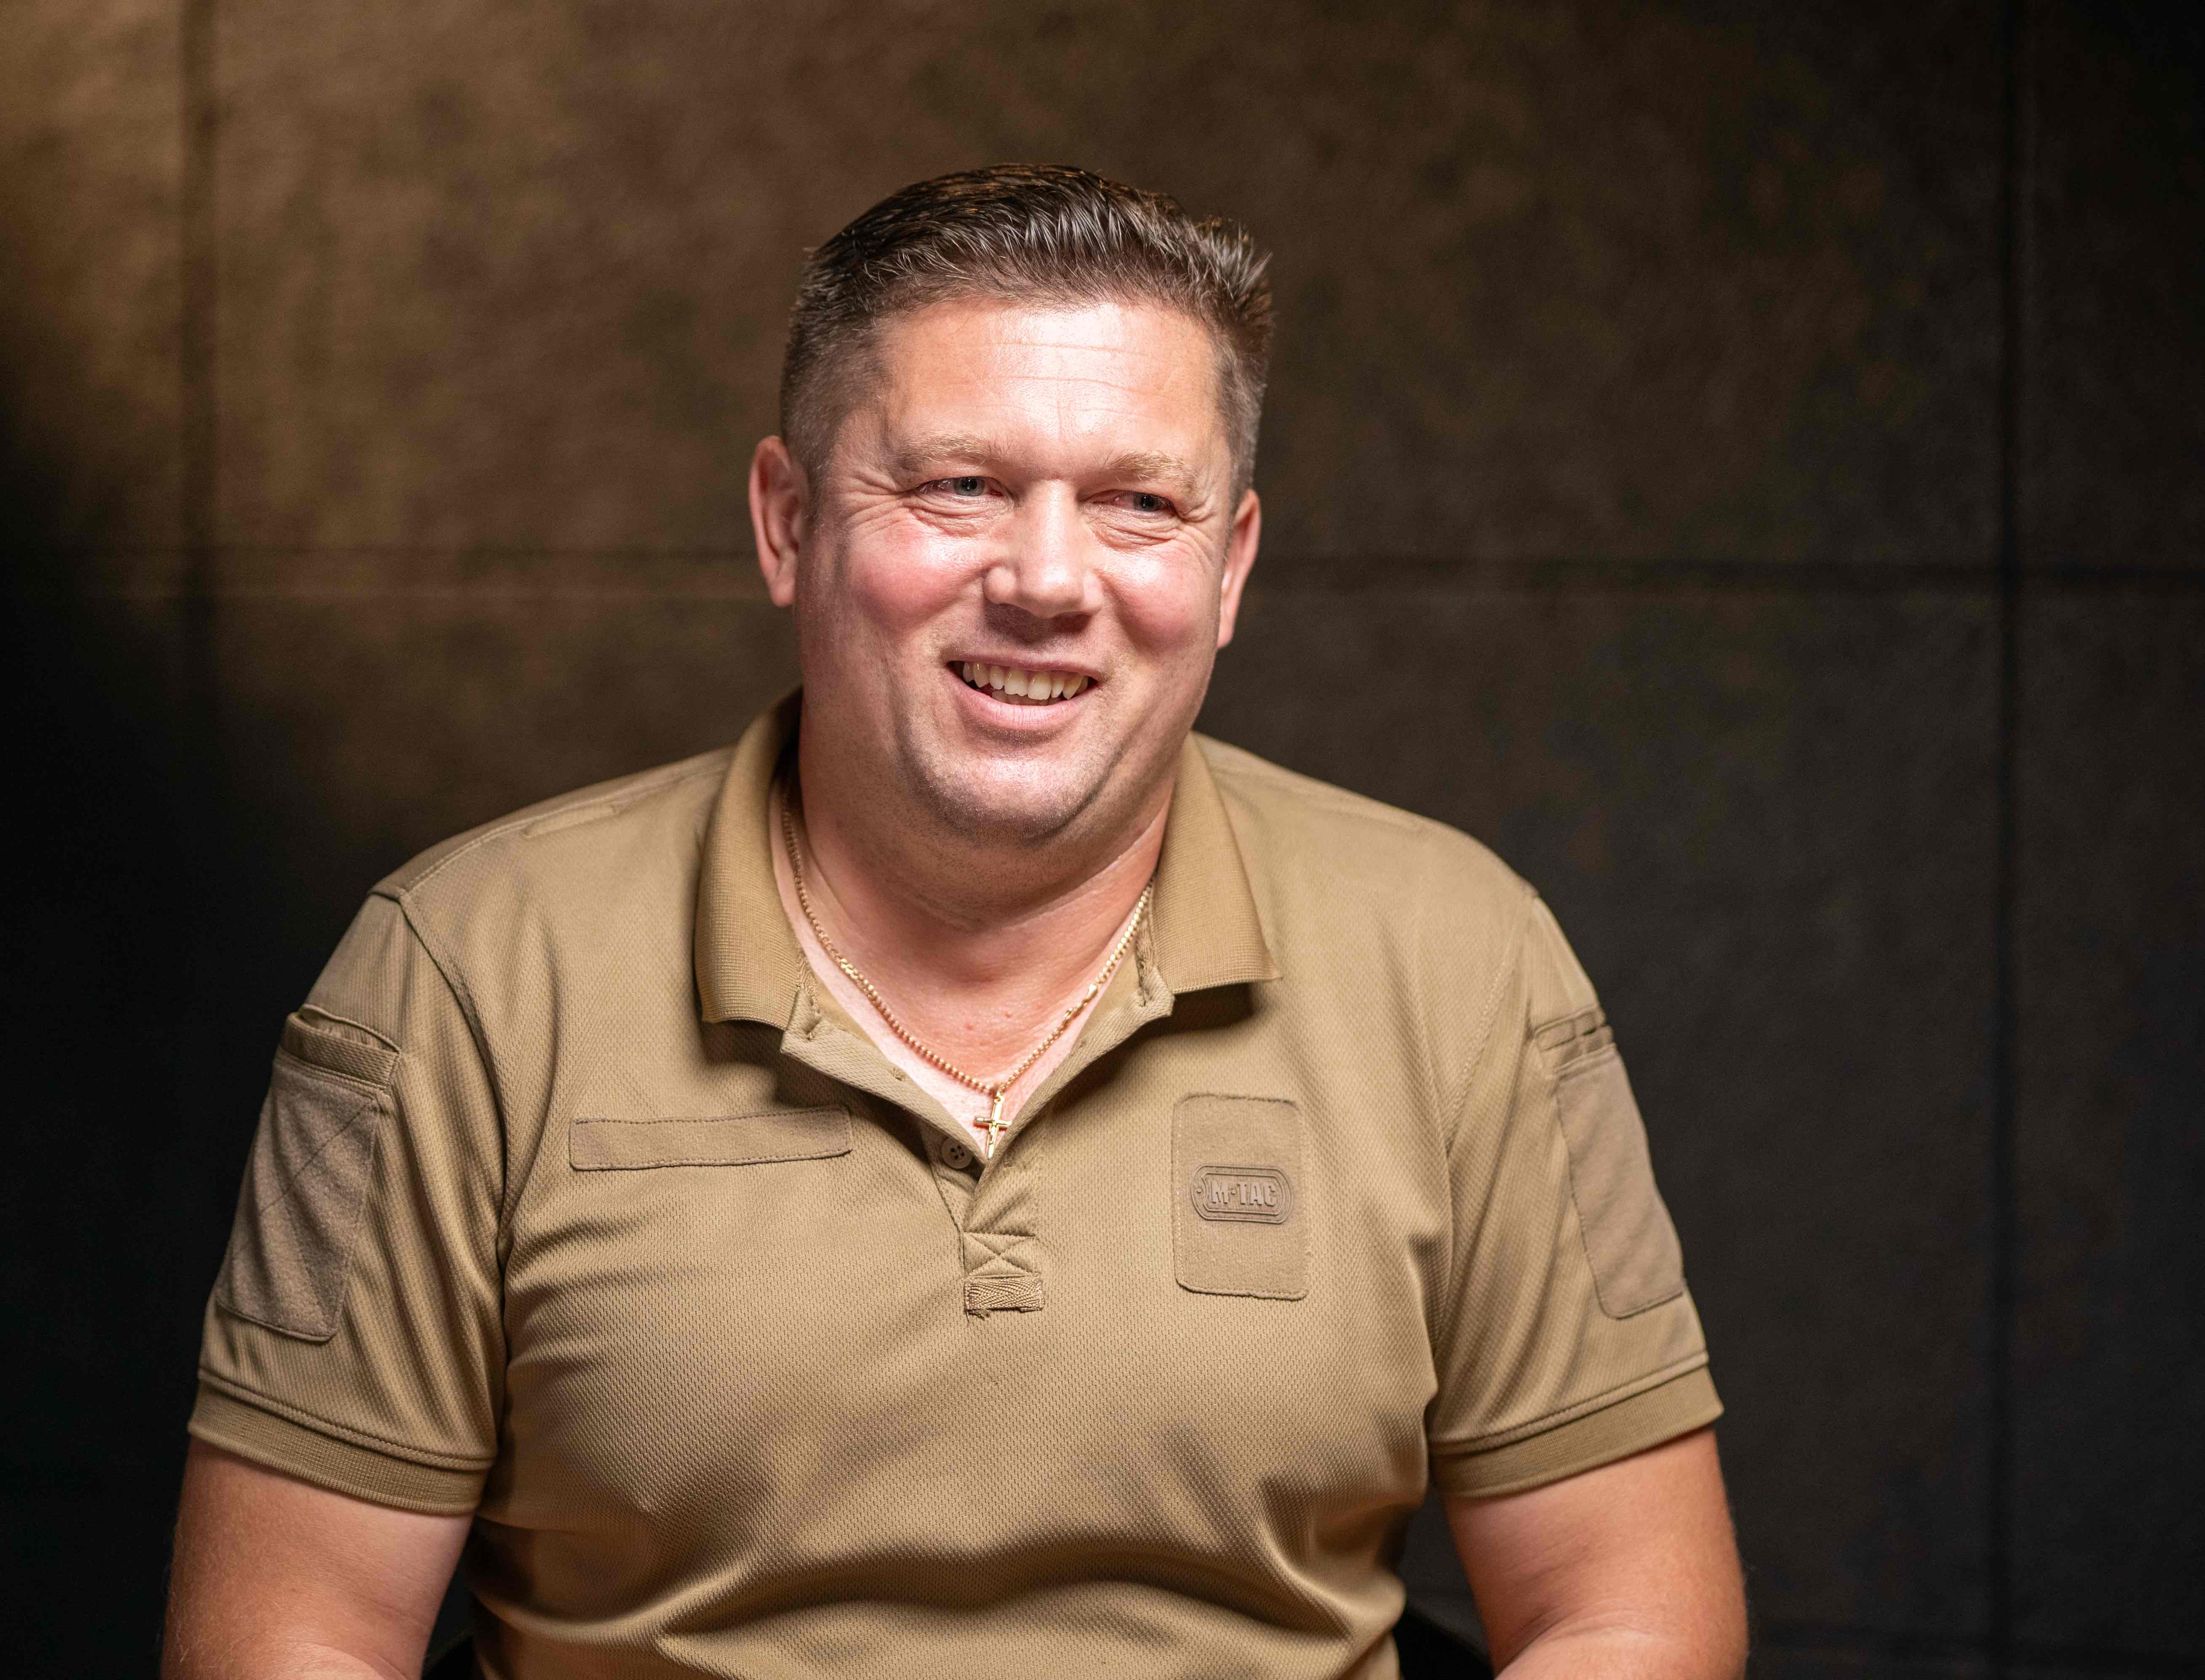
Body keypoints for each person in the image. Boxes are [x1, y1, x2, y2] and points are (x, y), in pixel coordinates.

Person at [163, 164, 1748, 1679]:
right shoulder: (466, 974)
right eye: (959, 486)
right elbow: (291, 1638)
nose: (1047, 579)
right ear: (787, 522)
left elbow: (1632, 1615)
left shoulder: (1461, 960)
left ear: (1231, 566)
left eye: (1140, 503)